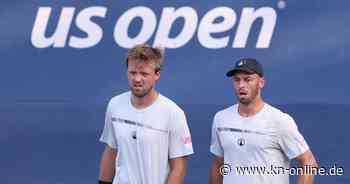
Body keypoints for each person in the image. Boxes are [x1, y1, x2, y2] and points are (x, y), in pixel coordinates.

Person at [209, 58, 318, 184]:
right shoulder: (221, 118)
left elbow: (309, 162)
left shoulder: (279, 120)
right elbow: (218, 164)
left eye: (247, 79)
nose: (241, 85)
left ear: (261, 82)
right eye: (237, 80)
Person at [98, 44, 194, 184]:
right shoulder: (115, 105)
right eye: (132, 73)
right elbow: (111, 150)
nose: (137, 79)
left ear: (157, 75)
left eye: (144, 74)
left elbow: (179, 166)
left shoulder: (173, 113)